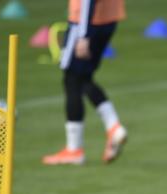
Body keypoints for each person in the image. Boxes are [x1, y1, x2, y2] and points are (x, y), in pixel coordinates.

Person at [43, 0, 127, 165]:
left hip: (84, 23)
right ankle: (114, 127)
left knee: (72, 80)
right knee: (83, 78)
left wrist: (83, 35)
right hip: (109, 18)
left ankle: (74, 150)